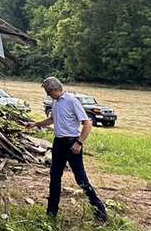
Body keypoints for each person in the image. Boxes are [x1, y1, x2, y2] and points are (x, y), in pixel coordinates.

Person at [28, 76, 108, 223]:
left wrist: (79, 142)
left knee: (81, 179)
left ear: (55, 89)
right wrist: (35, 124)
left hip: (72, 143)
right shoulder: (55, 102)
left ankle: (100, 211)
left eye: (48, 92)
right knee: (54, 177)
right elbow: (52, 120)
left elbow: (87, 124)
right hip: (58, 143)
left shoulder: (72, 101)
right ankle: (51, 213)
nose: (48, 95)